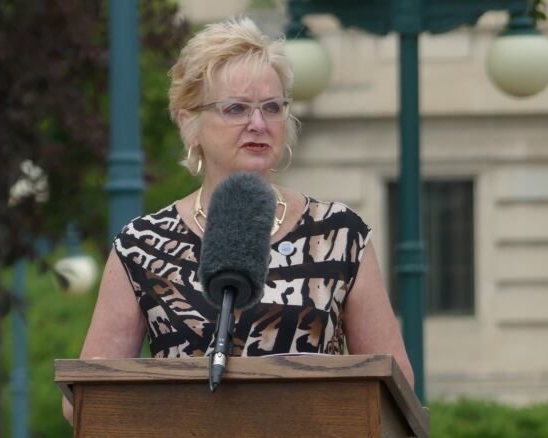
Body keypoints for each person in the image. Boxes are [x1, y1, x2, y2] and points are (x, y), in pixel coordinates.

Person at [63, 16, 413, 424]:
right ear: (188, 121)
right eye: (236, 109)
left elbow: (395, 390)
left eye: (272, 107)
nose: (258, 124)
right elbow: (85, 400)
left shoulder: (340, 234)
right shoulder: (142, 245)